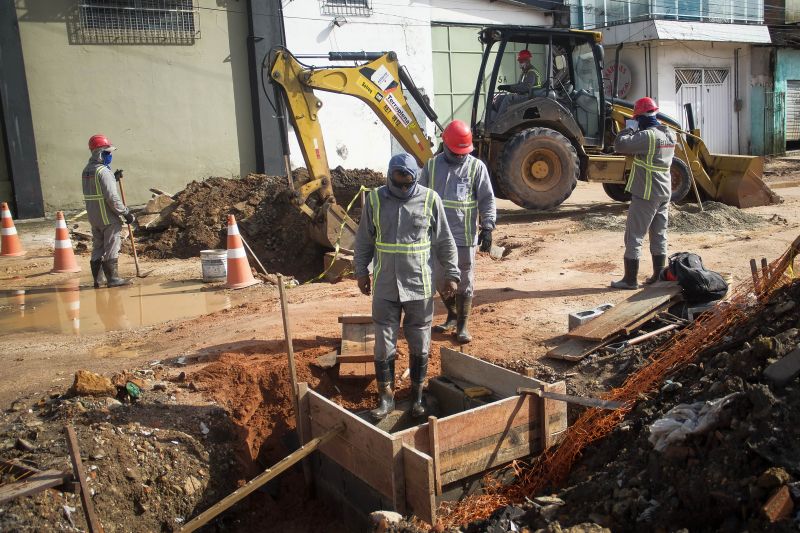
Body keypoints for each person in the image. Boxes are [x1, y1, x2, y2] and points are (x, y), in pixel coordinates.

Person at [354, 153, 460, 421]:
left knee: (420, 344)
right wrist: (361, 272)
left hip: (418, 286)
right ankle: (386, 397)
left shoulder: (429, 199)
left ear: (415, 178)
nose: (403, 189)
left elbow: (445, 241)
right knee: (383, 345)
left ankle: (418, 397)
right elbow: (364, 240)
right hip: (385, 287)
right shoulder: (376, 200)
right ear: (389, 176)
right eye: (398, 183)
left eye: (408, 183)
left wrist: (452, 273)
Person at [419, 120, 496, 343]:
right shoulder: (432, 167)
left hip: (464, 237)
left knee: (465, 280)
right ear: (446, 145)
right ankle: (452, 314)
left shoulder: (476, 167)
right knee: (440, 279)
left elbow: (487, 199)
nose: (461, 156)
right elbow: (419, 199)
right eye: (457, 152)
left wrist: (488, 225)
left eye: (465, 152)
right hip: (438, 238)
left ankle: (462, 325)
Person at [611, 97, 676, 289]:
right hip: (665, 191)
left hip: (647, 192)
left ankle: (630, 280)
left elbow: (620, 145)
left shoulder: (647, 136)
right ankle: (658, 276)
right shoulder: (670, 134)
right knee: (659, 234)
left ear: (639, 116)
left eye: (636, 118)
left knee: (634, 235)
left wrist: (630, 128)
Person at [82, 134, 134, 288]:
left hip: (94, 217)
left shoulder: (87, 170)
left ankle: (98, 280)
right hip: (107, 217)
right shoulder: (103, 172)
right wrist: (125, 213)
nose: (110, 155)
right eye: (108, 152)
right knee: (112, 245)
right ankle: (113, 279)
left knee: (98, 246)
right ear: (100, 153)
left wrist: (113, 178)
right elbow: (112, 198)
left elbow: (97, 189)